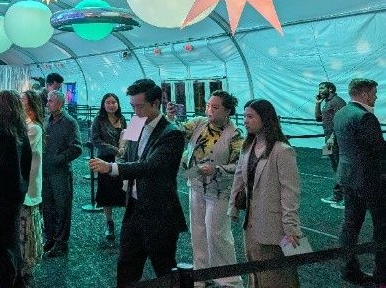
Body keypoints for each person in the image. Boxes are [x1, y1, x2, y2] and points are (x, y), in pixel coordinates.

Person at [89, 79, 187, 287]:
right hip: (134, 208)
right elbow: (126, 154)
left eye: (139, 106)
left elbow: (150, 166)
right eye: (132, 106)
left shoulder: (172, 134)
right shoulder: (135, 123)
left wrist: (112, 168)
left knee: (164, 270)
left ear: (155, 103)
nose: (135, 111)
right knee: (126, 266)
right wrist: (119, 162)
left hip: (160, 212)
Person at [169, 91, 244, 288]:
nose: (209, 110)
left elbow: (239, 165)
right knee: (198, 232)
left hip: (220, 191)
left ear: (228, 111)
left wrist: (217, 169)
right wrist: (171, 117)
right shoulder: (198, 123)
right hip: (195, 186)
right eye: (208, 105)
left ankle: (229, 280)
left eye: (215, 107)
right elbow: (175, 133)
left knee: (218, 234)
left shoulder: (235, 134)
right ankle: (201, 274)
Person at [228, 99, 302, 288]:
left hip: (275, 226)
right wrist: (233, 208)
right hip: (251, 224)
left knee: (277, 277)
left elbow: (290, 193)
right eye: (244, 116)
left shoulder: (283, 151)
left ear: (265, 119)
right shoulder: (247, 146)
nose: (245, 121)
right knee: (256, 274)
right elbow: (238, 178)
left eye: (250, 116)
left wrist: (291, 228)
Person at [333, 78, 384, 286]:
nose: (376, 97)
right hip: (371, 181)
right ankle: (382, 274)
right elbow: (378, 150)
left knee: (350, 225)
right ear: (364, 94)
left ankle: (348, 269)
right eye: (374, 93)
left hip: (348, 177)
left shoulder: (341, 113)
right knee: (382, 227)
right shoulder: (365, 117)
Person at [0, 91, 32, 288]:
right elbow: (27, 161)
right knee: (11, 236)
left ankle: (10, 280)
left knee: (2, 237)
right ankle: (13, 276)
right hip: (17, 191)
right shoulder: (20, 130)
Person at [42, 90, 82, 257]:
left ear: (59, 103)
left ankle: (61, 243)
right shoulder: (47, 120)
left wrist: (58, 159)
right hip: (45, 172)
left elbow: (77, 148)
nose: (47, 104)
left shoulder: (70, 122)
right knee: (47, 208)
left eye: (50, 101)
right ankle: (50, 239)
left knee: (62, 208)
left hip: (60, 173)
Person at [90, 93, 127, 241]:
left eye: (114, 102)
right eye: (108, 102)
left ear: (118, 104)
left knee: (124, 190)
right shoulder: (98, 120)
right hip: (104, 159)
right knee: (106, 191)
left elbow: (127, 137)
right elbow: (95, 140)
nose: (111, 105)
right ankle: (109, 222)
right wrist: (115, 150)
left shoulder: (122, 119)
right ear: (103, 105)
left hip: (121, 160)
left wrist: (123, 150)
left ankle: (127, 224)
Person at [19, 90, 44, 279]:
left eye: (22, 101)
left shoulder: (33, 128)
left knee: (28, 223)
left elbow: (21, 149)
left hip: (29, 180)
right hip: (23, 179)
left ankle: (27, 261)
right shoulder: (25, 125)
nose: (20, 103)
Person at [313, 81, 347, 207]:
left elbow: (342, 122)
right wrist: (317, 103)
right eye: (319, 88)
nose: (320, 90)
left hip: (336, 139)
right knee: (335, 167)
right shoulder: (327, 102)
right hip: (329, 139)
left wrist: (333, 139)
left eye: (322, 88)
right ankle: (338, 196)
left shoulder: (337, 102)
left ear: (331, 89)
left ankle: (345, 198)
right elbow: (318, 118)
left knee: (341, 168)